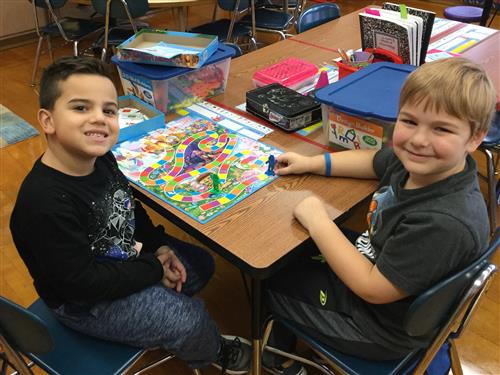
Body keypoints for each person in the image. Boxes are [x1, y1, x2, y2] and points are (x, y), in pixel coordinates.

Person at [9, 56, 251, 374]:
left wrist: (158, 246)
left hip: (122, 263)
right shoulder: (43, 204)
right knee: (189, 319)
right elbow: (82, 285)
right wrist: (152, 268)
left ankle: (157, 319)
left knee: (200, 265)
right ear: (48, 120)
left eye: (109, 110)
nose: (99, 119)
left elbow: (128, 207)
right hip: (85, 304)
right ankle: (213, 349)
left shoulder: (103, 160)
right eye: (81, 108)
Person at [262, 57, 497, 375]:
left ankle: (278, 361)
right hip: (379, 272)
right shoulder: (422, 163)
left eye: (441, 129)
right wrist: (312, 164)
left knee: (268, 279)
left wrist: (319, 220)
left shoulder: (443, 222)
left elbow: (372, 287)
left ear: (474, 138)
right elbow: (375, 161)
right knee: (288, 251)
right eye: (409, 121)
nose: (417, 139)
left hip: (376, 329)